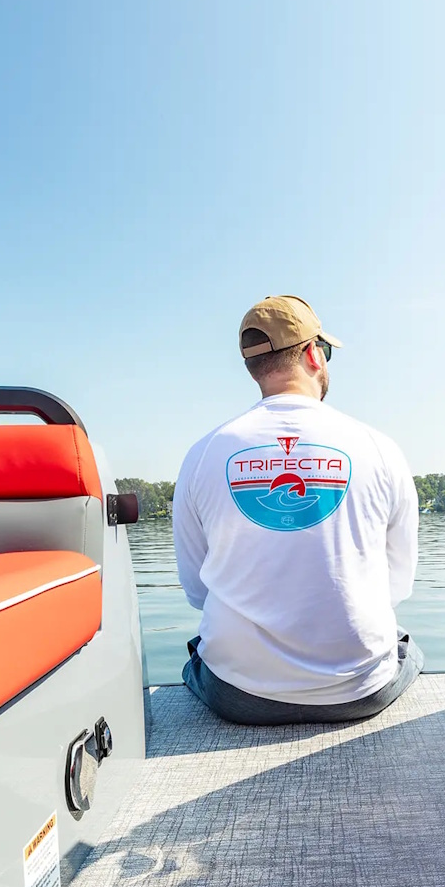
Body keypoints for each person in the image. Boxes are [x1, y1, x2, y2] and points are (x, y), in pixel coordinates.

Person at [172, 295, 422, 725]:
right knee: (407, 648)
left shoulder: (202, 454)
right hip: (360, 689)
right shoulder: (380, 448)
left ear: (254, 368)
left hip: (239, 694)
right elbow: (397, 585)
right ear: (312, 354)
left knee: (198, 652)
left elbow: (197, 592)